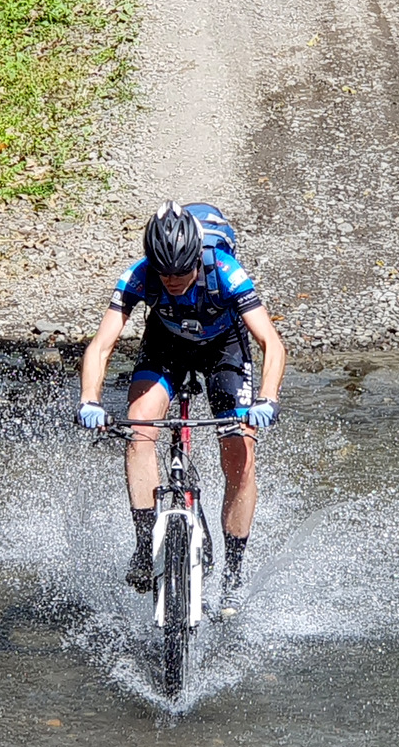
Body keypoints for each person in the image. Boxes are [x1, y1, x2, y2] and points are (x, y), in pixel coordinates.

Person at [76, 200, 286, 606]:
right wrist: (90, 400)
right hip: (166, 344)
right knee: (139, 427)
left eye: (181, 272)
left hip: (223, 348)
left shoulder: (225, 271)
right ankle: (144, 546)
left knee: (239, 451)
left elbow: (271, 344)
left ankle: (233, 574)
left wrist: (267, 398)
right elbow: (101, 346)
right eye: (163, 272)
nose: (171, 280)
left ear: (197, 258)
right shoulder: (140, 275)